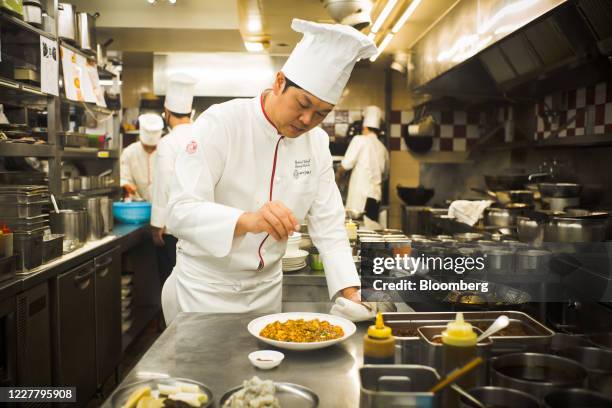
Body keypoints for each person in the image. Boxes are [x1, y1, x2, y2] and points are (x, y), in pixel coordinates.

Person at [162, 19, 381, 323]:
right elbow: (179, 212)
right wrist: (246, 220)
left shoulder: (316, 142)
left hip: (265, 294)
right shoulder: (222, 124)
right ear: (279, 82)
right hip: (204, 292)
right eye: (302, 104)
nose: (306, 120)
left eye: (321, 113)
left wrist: (350, 291)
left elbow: (329, 226)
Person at [151, 73, 198, 287]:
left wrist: (156, 224)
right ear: (191, 112)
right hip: (201, 227)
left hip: (174, 229)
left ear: (166, 113)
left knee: (172, 284)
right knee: (194, 284)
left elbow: (164, 184)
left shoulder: (168, 143)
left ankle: (171, 321)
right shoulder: (204, 136)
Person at [336, 105, 389, 230]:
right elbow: (385, 175)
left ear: (364, 126)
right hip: (375, 198)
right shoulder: (383, 149)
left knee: (355, 232)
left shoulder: (359, 140)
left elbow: (345, 165)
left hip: (360, 199)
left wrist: (336, 179)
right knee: (371, 233)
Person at [120, 113, 164, 201]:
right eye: (146, 147)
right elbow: (123, 177)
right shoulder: (129, 152)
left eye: (153, 148)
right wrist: (126, 184)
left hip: (162, 206)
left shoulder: (167, 150)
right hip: (137, 206)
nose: (150, 150)